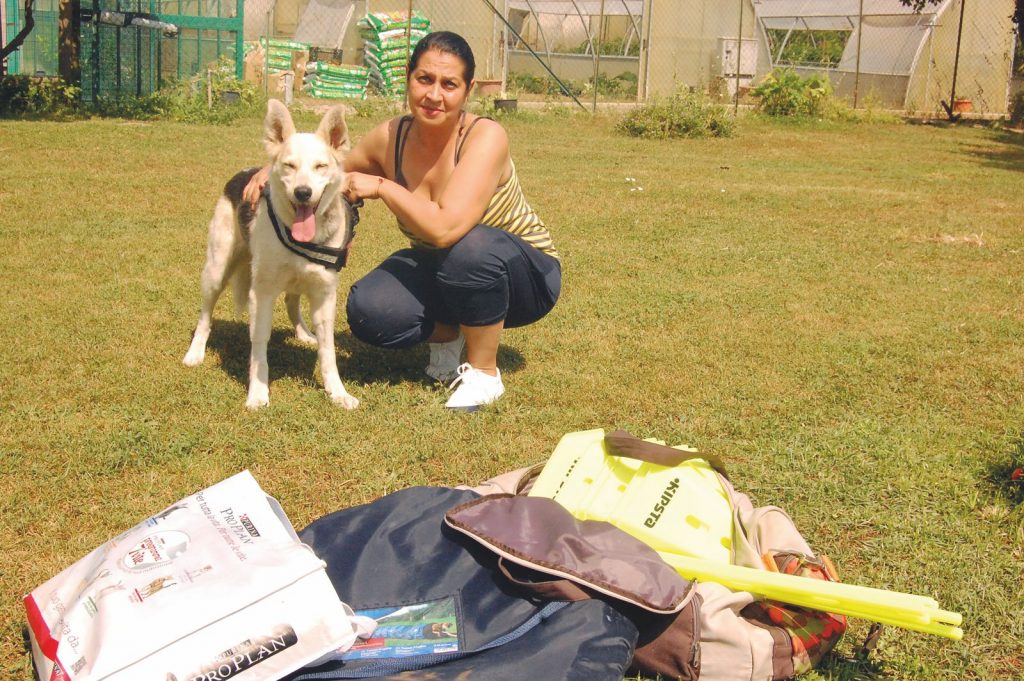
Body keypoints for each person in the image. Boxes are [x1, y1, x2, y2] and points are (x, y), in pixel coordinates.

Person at [246, 31, 561, 411]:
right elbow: (329, 171)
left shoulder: (485, 136)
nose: (434, 95)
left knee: (469, 248)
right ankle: (450, 339)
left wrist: (382, 186)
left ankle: (484, 373)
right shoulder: (391, 136)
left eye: (449, 84)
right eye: (424, 79)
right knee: (371, 308)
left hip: (524, 274)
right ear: (408, 77)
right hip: (447, 267)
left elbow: (445, 229)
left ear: (468, 89)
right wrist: (279, 164)